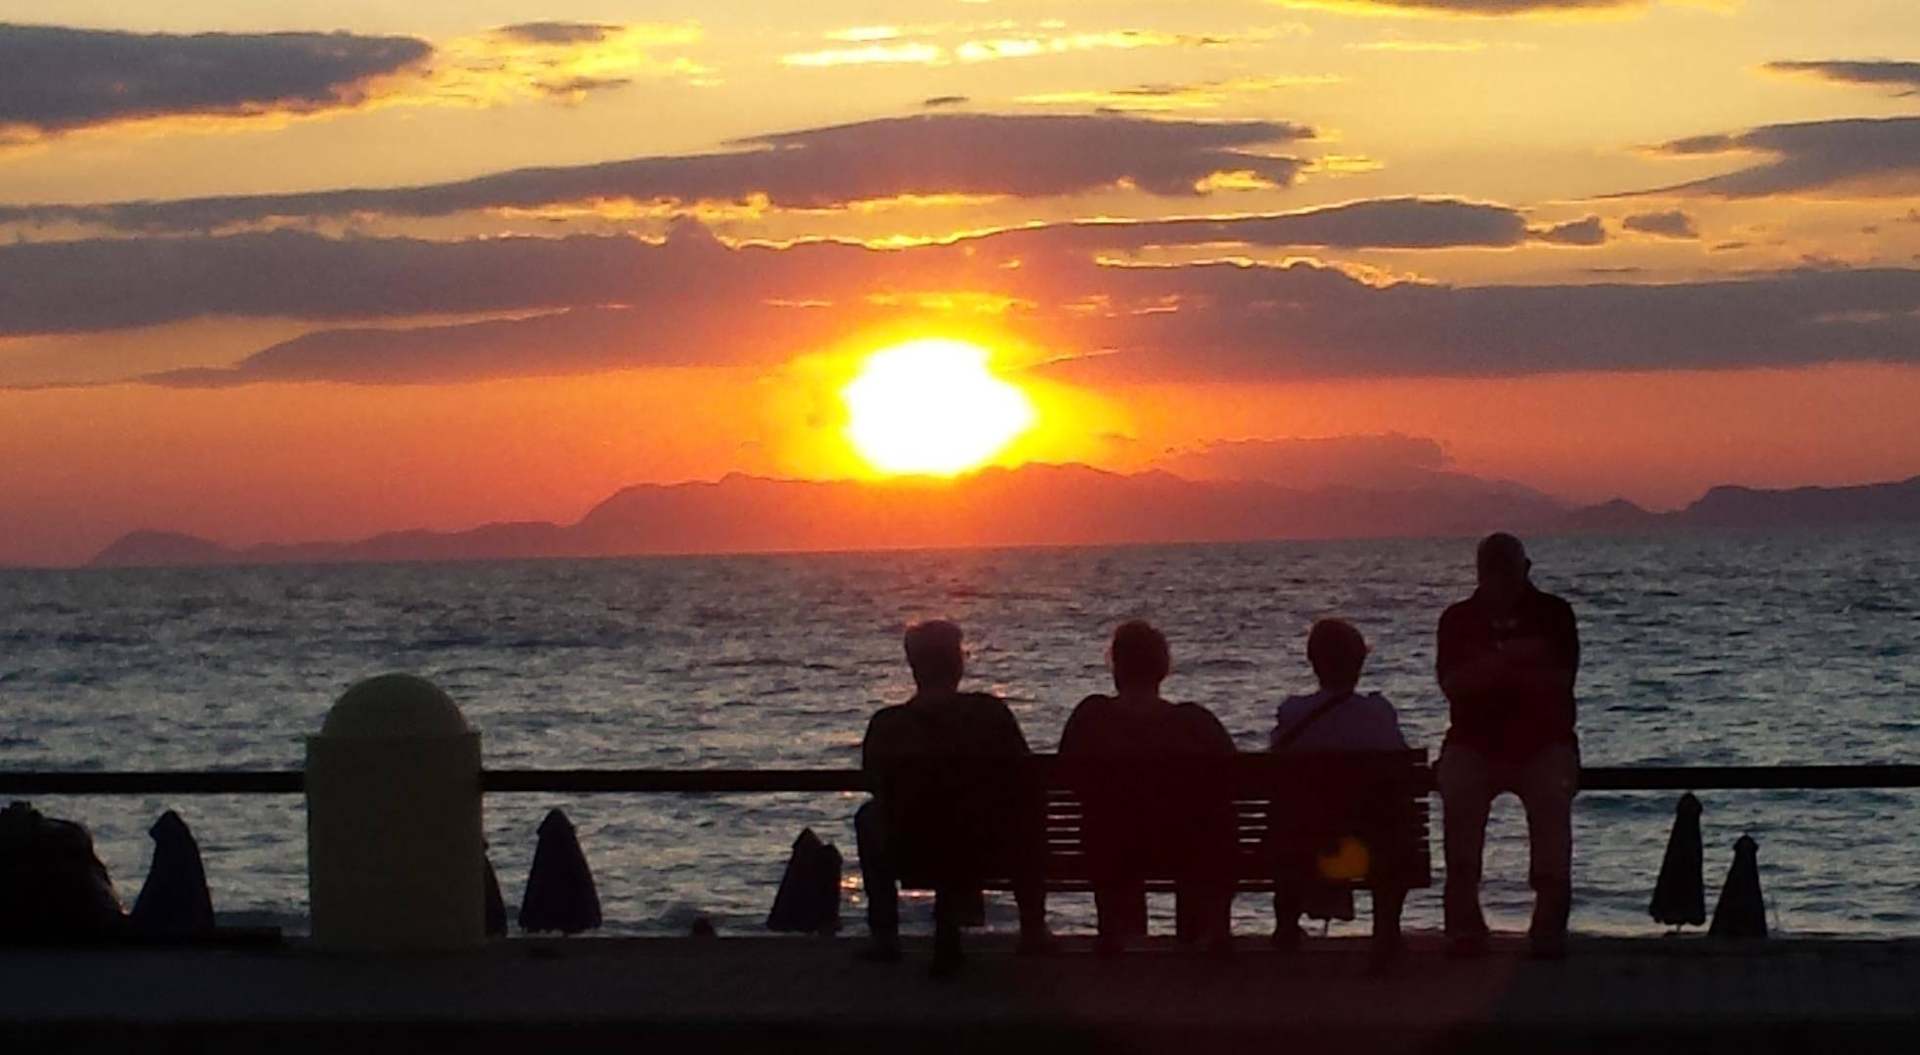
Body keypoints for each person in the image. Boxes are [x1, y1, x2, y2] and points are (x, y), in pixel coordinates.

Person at [855, 620, 1050, 975]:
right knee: (1025, 809)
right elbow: (1026, 778)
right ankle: (1033, 928)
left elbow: (874, 782)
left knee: (869, 816)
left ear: (913, 666)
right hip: (984, 846)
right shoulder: (989, 714)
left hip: (910, 848)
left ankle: (885, 935)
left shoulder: (887, 725)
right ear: (957, 665)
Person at [1435, 533, 1580, 959]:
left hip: (1544, 742)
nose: (1501, 581)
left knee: (1551, 795)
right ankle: (1463, 923)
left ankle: (1549, 922)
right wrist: (1517, 659)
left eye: (1508, 571)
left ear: (1525, 569)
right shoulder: (1457, 619)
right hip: (1473, 743)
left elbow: (1560, 681)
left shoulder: (1554, 613)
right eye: (1493, 571)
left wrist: (1488, 667)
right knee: (1459, 788)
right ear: (1480, 573)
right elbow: (1454, 685)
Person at [1059, 620, 1238, 954]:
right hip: (1185, 848)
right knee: (1209, 825)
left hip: (1109, 847)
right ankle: (1205, 932)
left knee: (1109, 829)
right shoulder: (1194, 723)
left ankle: (1114, 933)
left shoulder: (1091, 718)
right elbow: (1236, 782)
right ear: (1162, 668)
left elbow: (1068, 779)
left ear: (1116, 667)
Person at [1269, 619, 1410, 969]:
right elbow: (1402, 770)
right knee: (1393, 823)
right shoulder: (1377, 713)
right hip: (1370, 846)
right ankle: (1386, 930)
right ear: (1359, 663)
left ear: (1313, 662)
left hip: (1301, 844)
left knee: (1287, 820)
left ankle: (1286, 926)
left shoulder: (1292, 713)